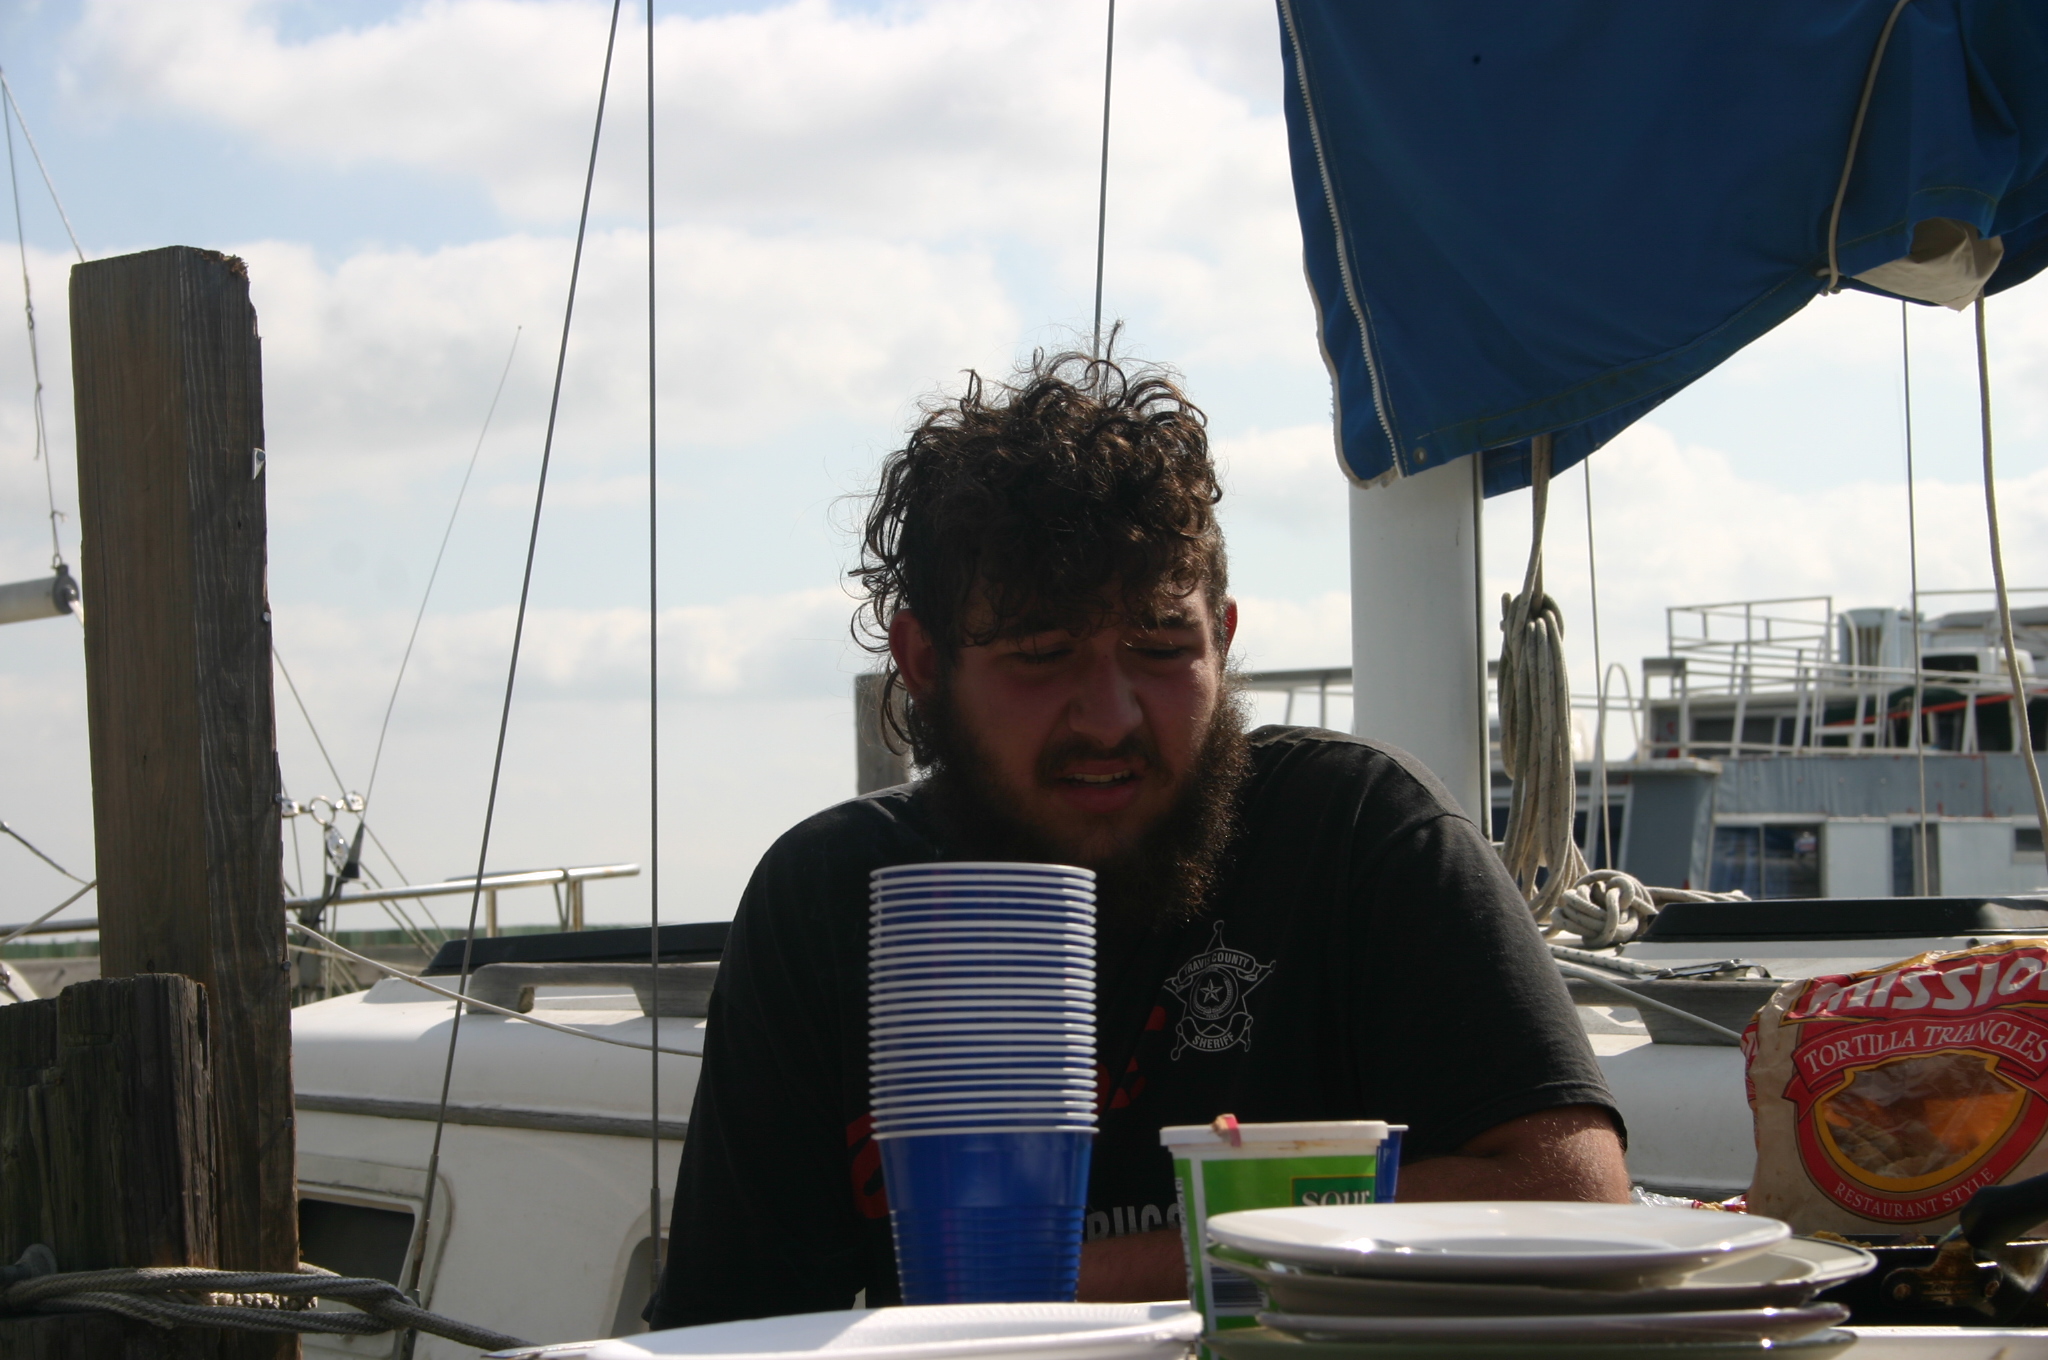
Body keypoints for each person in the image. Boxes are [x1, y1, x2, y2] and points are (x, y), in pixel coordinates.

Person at [647, 351, 1626, 1329]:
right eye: (1042, 654)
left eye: (1161, 649)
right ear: (924, 663)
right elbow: (728, 1328)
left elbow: (1572, 1199)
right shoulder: (829, 902)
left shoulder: (1358, 835)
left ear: (1222, 641)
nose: (1111, 716)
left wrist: (1045, 1287)